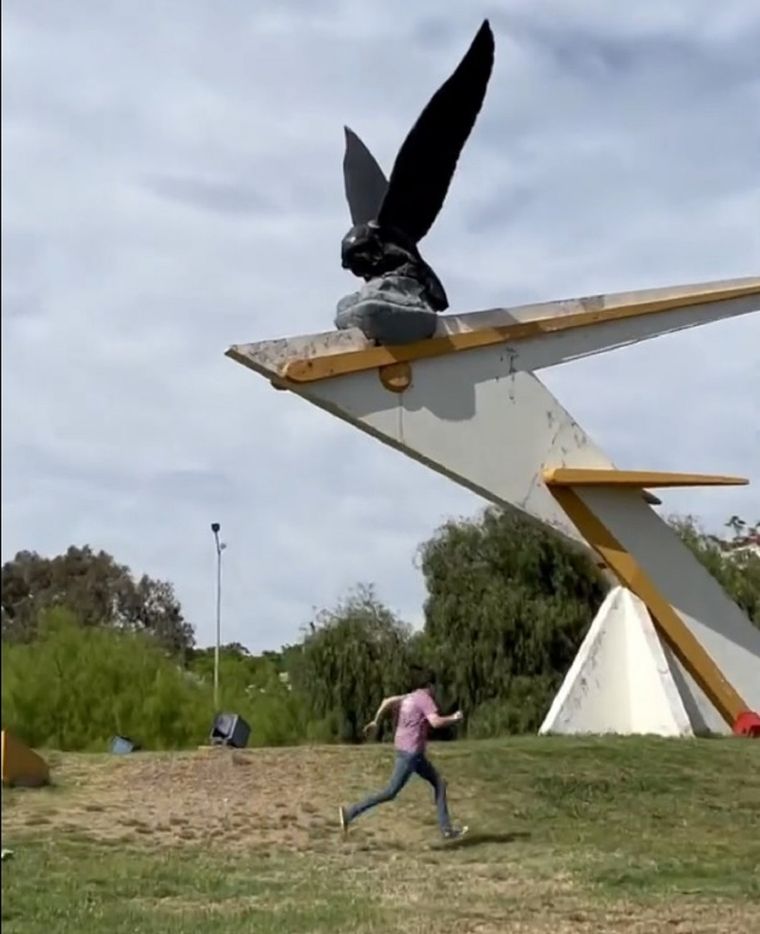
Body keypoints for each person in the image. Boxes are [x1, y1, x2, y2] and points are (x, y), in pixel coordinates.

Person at [338, 671, 467, 841]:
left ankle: (447, 830)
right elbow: (435, 722)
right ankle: (350, 813)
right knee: (390, 792)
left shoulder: (410, 697)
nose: (436, 689)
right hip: (411, 754)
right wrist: (454, 718)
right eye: (435, 686)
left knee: (439, 783)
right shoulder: (425, 698)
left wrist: (376, 721)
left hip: (408, 752)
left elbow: (387, 701)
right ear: (430, 686)